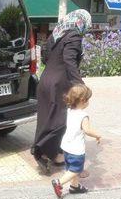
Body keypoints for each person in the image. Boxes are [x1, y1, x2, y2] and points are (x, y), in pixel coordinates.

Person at [32, 9, 92, 174]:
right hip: (58, 84)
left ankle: (54, 154)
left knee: (47, 119)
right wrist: (79, 83)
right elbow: (69, 60)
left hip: (45, 81)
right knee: (61, 120)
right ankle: (43, 153)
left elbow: (45, 56)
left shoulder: (57, 34)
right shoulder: (74, 36)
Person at [52, 84, 102, 198]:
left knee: (70, 168)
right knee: (75, 170)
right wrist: (97, 135)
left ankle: (74, 186)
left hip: (66, 146)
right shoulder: (83, 115)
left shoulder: (70, 111)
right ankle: (58, 183)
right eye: (88, 100)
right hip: (76, 149)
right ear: (83, 100)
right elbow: (87, 130)